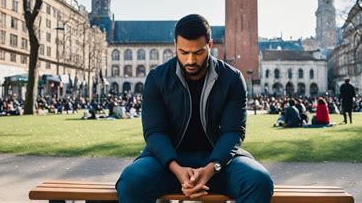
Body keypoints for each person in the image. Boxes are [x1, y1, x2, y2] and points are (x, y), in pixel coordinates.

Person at [116, 14, 273, 202]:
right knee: (131, 181)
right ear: (175, 45)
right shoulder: (156, 78)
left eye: (198, 53)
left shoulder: (232, 79)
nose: (190, 60)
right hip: (166, 162)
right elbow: (154, 132)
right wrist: (176, 168)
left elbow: (233, 132)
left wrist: (210, 169)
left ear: (210, 45)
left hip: (219, 161)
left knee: (259, 180)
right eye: (183, 52)